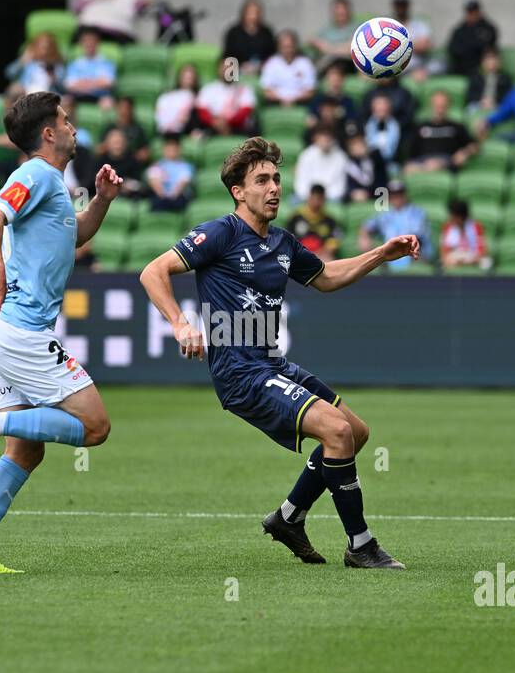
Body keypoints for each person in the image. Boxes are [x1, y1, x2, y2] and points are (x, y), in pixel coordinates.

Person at [139, 136, 416, 569]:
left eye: (277, 179)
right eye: (262, 180)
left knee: (355, 432)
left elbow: (325, 277)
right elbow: (153, 271)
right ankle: (361, 545)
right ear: (238, 191)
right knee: (337, 433)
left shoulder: (282, 243)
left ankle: (288, 518)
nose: (274, 188)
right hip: (239, 371)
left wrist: (381, 253)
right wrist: (179, 322)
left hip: (271, 363)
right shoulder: (220, 233)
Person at [0, 91, 122, 575]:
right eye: (67, 120)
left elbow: (75, 235)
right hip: (20, 332)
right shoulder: (33, 174)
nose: (75, 127)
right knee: (95, 427)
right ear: (48, 134)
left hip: (2, 333)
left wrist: (101, 201)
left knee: (26, 451)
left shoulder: (52, 184)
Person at [358, 180, 429, 272]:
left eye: (399, 194)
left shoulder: (416, 213)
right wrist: (364, 237)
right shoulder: (385, 214)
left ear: (405, 195)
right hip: (390, 256)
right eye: (393, 194)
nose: (396, 197)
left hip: (412, 254)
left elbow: (417, 237)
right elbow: (367, 226)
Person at [405, 89, 476, 173]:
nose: (440, 110)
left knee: (435, 165)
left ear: (448, 106)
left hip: (446, 162)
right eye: (437, 106)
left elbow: (473, 146)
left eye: (443, 106)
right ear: (431, 106)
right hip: (423, 162)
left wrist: (464, 153)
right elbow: (410, 153)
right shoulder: (420, 127)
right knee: (408, 168)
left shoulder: (457, 127)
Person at [194, 62, 255, 135]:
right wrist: (214, 122)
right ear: (218, 70)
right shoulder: (208, 88)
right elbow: (201, 110)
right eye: (224, 68)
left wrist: (227, 123)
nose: (227, 71)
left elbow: (246, 110)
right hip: (212, 126)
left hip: (237, 127)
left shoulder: (244, 88)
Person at [259, 30, 316, 106]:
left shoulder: (306, 63)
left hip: (301, 103)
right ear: (279, 47)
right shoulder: (271, 63)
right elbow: (266, 91)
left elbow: (310, 91)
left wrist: (292, 100)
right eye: (284, 47)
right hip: (276, 103)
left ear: (295, 46)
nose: (288, 50)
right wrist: (282, 100)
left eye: (290, 46)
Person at [286, 183, 341, 260]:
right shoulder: (295, 217)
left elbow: (333, 243)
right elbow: (288, 240)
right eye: (315, 198)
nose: (317, 203)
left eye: (320, 199)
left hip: (320, 257)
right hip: (299, 255)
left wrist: (319, 253)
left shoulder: (330, 221)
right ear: (309, 197)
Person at [222, 0, 275, 74]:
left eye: (256, 13)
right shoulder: (233, 33)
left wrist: (259, 66)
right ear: (243, 14)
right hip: (238, 71)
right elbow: (228, 56)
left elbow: (272, 56)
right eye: (250, 13)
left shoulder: (267, 32)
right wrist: (241, 66)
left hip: (262, 71)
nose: (253, 17)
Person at [62, 29, 116, 105]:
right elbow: (69, 84)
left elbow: (109, 83)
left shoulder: (106, 63)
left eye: (92, 41)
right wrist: (95, 82)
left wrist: (85, 83)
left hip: (100, 96)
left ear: (98, 43)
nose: (89, 44)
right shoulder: (74, 64)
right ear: (81, 44)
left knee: (108, 102)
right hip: (77, 95)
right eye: (86, 41)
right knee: (64, 101)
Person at [293, 126, 347, 202]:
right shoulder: (306, 155)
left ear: (332, 139)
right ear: (316, 138)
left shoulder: (341, 157)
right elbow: (301, 182)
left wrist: (321, 197)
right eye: (322, 137)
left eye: (328, 137)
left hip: (330, 198)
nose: (325, 140)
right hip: (307, 196)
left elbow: (339, 187)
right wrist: (311, 197)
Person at [446, 0, 497, 76]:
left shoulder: (488, 29)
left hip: (478, 67)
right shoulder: (460, 30)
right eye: (469, 12)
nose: (472, 14)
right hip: (460, 66)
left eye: (474, 11)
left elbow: (487, 48)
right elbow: (452, 49)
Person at [145, 135, 194, 212]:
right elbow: (153, 181)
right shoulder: (158, 165)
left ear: (179, 150)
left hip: (178, 195)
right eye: (168, 149)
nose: (171, 152)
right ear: (164, 150)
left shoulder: (186, 166)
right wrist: (162, 195)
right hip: (161, 196)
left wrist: (173, 195)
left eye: (174, 150)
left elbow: (183, 182)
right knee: (156, 203)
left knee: (179, 203)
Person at [391, 0, 434, 78]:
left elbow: (425, 46)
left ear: (408, 6)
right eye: (399, 5)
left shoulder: (420, 25)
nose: (401, 8)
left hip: (414, 68)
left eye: (403, 5)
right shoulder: (388, 24)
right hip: (391, 68)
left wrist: (395, 45)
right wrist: (412, 44)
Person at [306, 0, 353, 72]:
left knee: (338, 64)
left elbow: (353, 47)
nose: (341, 12)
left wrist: (329, 48)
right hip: (328, 63)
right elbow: (311, 39)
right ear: (333, 12)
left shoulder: (356, 27)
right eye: (338, 10)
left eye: (343, 10)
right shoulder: (327, 29)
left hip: (348, 62)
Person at [439, 199, 488, 269]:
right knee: (442, 264)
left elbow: (482, 250)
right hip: (454, 257)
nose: (451, 218)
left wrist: (472, 260)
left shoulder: (476, 226)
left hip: (472, 257)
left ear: (460, 217)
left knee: (486, 263)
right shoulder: (447, 227)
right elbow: (443, 251)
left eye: (453, 216)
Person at [154, 62, 200, 137]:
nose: (188, 80)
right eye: (185, 76)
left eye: (191, 77)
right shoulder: (168, 97)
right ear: (179, 78)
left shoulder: (198, 97)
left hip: (186, 130)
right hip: (168, 130)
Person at [465, 46, 511, 114]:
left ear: (499, 62)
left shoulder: (505, 79)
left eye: (494, 59)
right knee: (470, 109)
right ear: (482, 62)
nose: (491, 62)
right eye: (488, 59)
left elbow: (508, 96)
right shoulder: (476, 77)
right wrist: (482, 101)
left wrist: (494, 101)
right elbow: (470, 95)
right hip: (478, 104)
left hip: (497, 105)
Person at [343, 130, 386, 202]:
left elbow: (383, 187)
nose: (359, 146)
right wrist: (352, 194)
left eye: (360, 142)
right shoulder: (349, 165)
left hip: (376, 201)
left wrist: (368, 193)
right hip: (356, 204)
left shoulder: (376, 159)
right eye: (354, 144)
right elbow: (347, 189)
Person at [363, 93, 400, 170]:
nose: (381, 108)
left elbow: (393, 150)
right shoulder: (365, 125)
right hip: (370, 162)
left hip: (391, 162)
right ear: (373, 108)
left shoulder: (396, 125)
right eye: (378, 105)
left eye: (384, 105)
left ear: (389, 108)